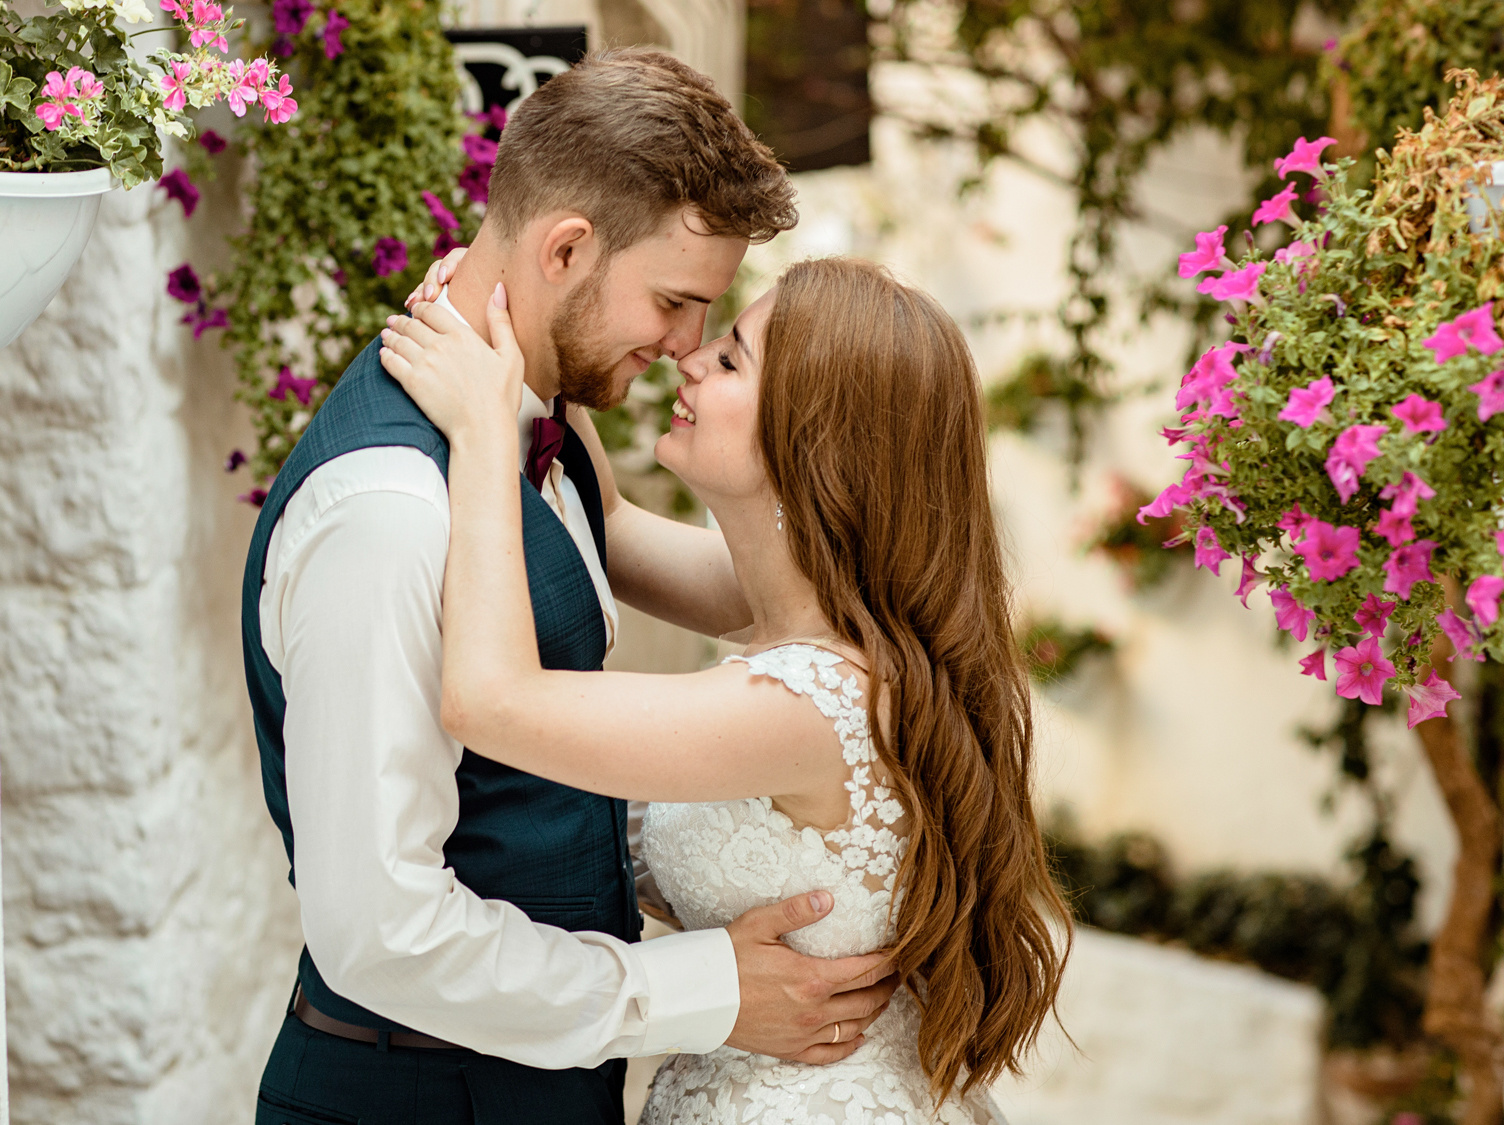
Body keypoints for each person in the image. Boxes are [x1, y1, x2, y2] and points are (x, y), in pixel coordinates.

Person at [241, 49, 899, 1125]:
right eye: (677, 302)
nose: (686, 346)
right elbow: (377, 931)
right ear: (564, 249)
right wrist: (696, 991)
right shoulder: (389, 512)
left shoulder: (534, 437)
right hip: (411, 1095)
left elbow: (757, 594)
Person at [376, 253, 1070, 1123]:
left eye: (734, 357)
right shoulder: (797, 607)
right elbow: (614, 524)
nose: (690, 357)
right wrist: (533, 333)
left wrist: (481, 435)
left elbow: (491, 701)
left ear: (811, 441)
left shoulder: (811, 702)